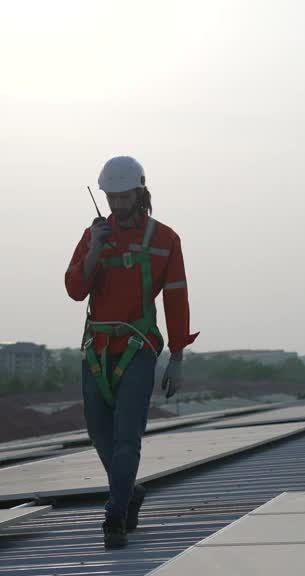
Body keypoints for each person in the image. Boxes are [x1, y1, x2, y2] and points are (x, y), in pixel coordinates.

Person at [64, 156, 198, 549]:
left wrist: (177, 356)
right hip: (97, 349)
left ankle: (114, 516)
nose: (118, 205)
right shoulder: (94, 235)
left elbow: (176, 299)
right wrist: (94, 252)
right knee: (99, 433)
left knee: (127, 436)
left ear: (140, 193)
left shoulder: (165, 240)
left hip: (138, 348)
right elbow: (75, 289)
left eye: (125, 197)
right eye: (112, 197)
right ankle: (129, 492)